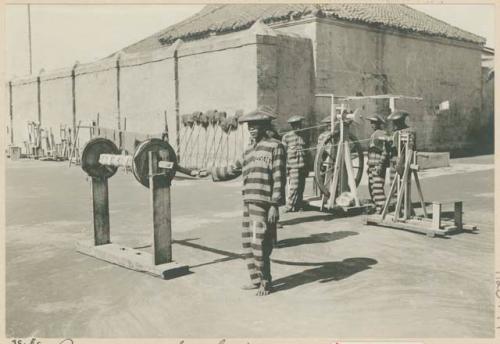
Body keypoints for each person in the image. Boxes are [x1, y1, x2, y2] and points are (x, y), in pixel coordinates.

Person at [204, 106, 286, 296]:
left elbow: (279, 178)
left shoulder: (276, 147)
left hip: (264, 203)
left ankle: (266, 281)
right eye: (249, 126)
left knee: (260, 243)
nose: (251, 129)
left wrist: (275, 205)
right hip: (248, 202)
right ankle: (255, 280)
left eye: (255, 126)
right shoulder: (249, 150)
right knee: (247, 243)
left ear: (266, 126)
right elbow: (232, 169)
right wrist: (208, 172)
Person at [387, 110, 416, 197]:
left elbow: (407, 148)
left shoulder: (408, 132)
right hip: (395, 163)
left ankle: (406, 209)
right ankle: (400, 208)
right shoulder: (396, 133)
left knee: (402, 189)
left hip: (402, 163)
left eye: (395, 123)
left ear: (400, 122)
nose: (393, 125)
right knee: (394, 188)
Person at [282, 115, 307, 212]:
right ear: (292, 126)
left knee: (301, 187)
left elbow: (307, 151)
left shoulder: (305, 135)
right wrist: (285, 168)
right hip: (293, 166)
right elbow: (283, 153)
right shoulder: (286, 137)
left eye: (299, 125)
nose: (298, 127)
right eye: (295, 125)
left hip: (303, 165)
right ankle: (289, 206)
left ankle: (298, 205)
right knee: (294, 187)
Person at [366, 114, 389, 214]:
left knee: (377, 188)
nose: (372, 124)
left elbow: (385, 150)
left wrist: (380, 165)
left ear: (378, 124)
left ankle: (383, 209)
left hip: (378, 165)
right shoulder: (374, 134)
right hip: (371, 165)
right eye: (371, 122)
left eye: (374, 122)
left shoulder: (381, 133)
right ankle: (378, 208)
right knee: (372, 188)